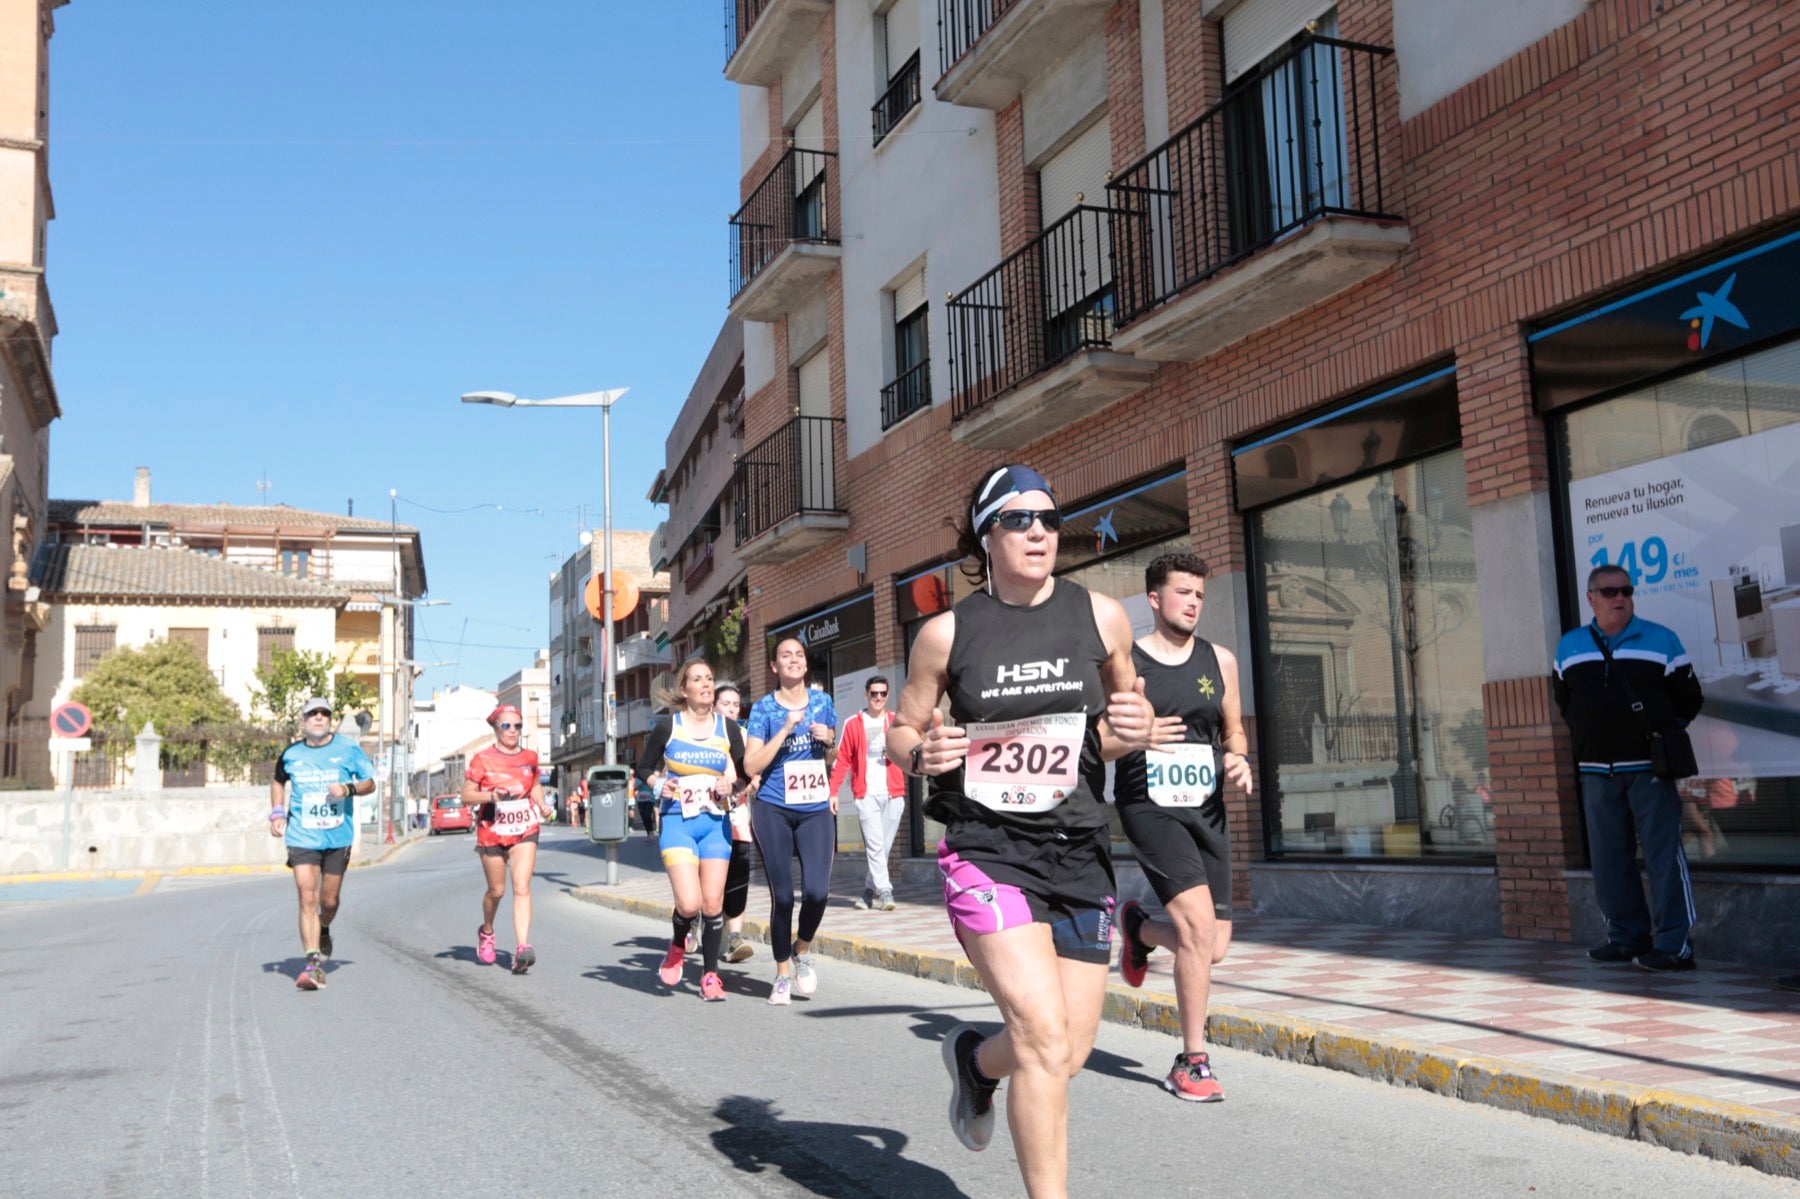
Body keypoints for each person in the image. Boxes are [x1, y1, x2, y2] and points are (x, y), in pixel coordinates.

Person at [884, 464, 1157, 1199]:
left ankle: (975, 1063)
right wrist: (923, 753)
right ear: (987, 534)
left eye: (1049, 517)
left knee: (1065, 1050)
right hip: (988, 848)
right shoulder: (947, 634)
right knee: (1040, 1034)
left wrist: (1136, 726)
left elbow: (1122, 724)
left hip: (1078, 848)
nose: (1039, 531)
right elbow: (902, 732)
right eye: (1018, 519)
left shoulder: (1101, 616)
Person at [1111, 552, 1254, 1103]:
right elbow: (1100, 738)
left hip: (1206, 804)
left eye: (1199, 594)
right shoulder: (1126, 661)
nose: (1193, 602)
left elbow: (1234, 730)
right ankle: (1192, 1061)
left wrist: (1238, 758)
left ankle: (1139, 930)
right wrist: (1138, 737)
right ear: (1155, 598)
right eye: (1183, 592)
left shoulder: (1221, 660)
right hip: (1147, 802)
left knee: (1212, 946)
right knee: (1195, 929)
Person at [1553, 564, 1704, 972]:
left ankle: (1675, 945)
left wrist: (1659, 737)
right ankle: (1625, 937)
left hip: (1648, 770)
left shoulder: (1661, 640)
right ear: (1591, 598)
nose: (1619, 597)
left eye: (1626, 589)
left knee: (1662, 856)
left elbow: (1688, 699)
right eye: (1609, 591)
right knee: (1608, 859)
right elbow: (1565, 701)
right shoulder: (1569, 646)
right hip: (1596, 771)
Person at [635, 657, 748, 1002]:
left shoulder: (726, 729)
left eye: (710, 679)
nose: (705, 685)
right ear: (684, 689)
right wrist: (659, 785)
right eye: (697, 679)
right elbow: (642, 768)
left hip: (715, 823)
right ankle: (676, 948)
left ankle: (711, 976)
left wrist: (735, 786)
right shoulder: (669, 728)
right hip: (677, 823)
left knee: (713, 903)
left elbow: (745, 773)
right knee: (689, 902)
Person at [743, 638, 839, 1005]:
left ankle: (801, 949)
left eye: (798, 655)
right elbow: (751, 765)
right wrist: (783, 730)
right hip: (773, 808)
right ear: (774, 666)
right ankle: (782, 972)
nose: (794, 660)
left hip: (814, 806)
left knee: (818, 892)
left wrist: (829, 739)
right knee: (783, 896)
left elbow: (831, 757)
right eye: (786, 656)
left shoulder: (823, 701)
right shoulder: (764, 709)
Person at [269, 696, 375, 991]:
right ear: (303, 721)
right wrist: (277, 813)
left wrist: (347, 788)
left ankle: (324, 927)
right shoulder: (291, 754)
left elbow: (370, 782)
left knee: (328, 901)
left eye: (324, 714)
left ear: (329, 720)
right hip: (302, 835)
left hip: (337, 836)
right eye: (312, 714)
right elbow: (278, 782)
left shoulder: (347, 749)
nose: (318, 718)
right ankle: (312, 964)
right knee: (307, 896)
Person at [463, 705, 553, 974]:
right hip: (492, 827)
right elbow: (466, 795)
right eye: (506, 726)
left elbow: (534, 784)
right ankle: (487, 931)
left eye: (517, 726)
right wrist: (490, 796)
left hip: (525, 827)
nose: (512, 731)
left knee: (522, 887)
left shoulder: (530, 757)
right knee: (497, 891)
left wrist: (542, 804)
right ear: (496, 729)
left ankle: (522, 948)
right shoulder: (482, 759)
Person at [830, 674, 905, 912]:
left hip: (894, 792)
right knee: (874, 845)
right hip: (866, 793)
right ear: (866, 695)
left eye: (883, 694)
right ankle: (886, 891)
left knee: (882, 846)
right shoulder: (854, 723)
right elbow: (842, 760)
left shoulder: (895, 721)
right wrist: (833, 792)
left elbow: (910, 751)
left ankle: (867, 891)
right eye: (874, 694)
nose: (879, 698)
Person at [714, 681, 758, 964]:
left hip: (739, 819)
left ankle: (735, 939)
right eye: (725, 703)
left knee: (738, 880)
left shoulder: (745, 735)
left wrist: (746, 786)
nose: (731, 708)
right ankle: (696, 924)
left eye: (735, 704)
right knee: (711, 882)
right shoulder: (703, 734)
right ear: (714, 705)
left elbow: (755, 773)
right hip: (708, 820)